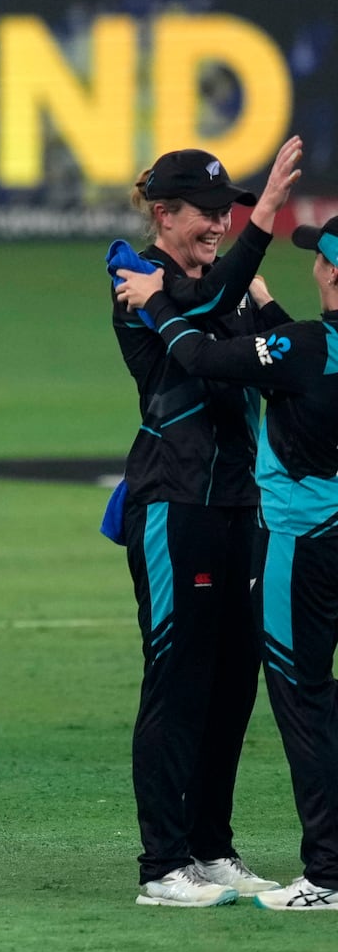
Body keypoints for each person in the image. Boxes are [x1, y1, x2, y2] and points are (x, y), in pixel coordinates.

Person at [116, 212, 338, 910]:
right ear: (166, 214)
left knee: (296, 695)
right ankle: (180, 857)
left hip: (293, 539)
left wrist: (154, 300)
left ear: (333, 270)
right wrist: (260, 299)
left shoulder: (304, 346)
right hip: (199, 509)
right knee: (193, 678)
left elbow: (208, 357)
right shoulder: (311, 344)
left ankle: (319, 869)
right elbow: (294, 352)